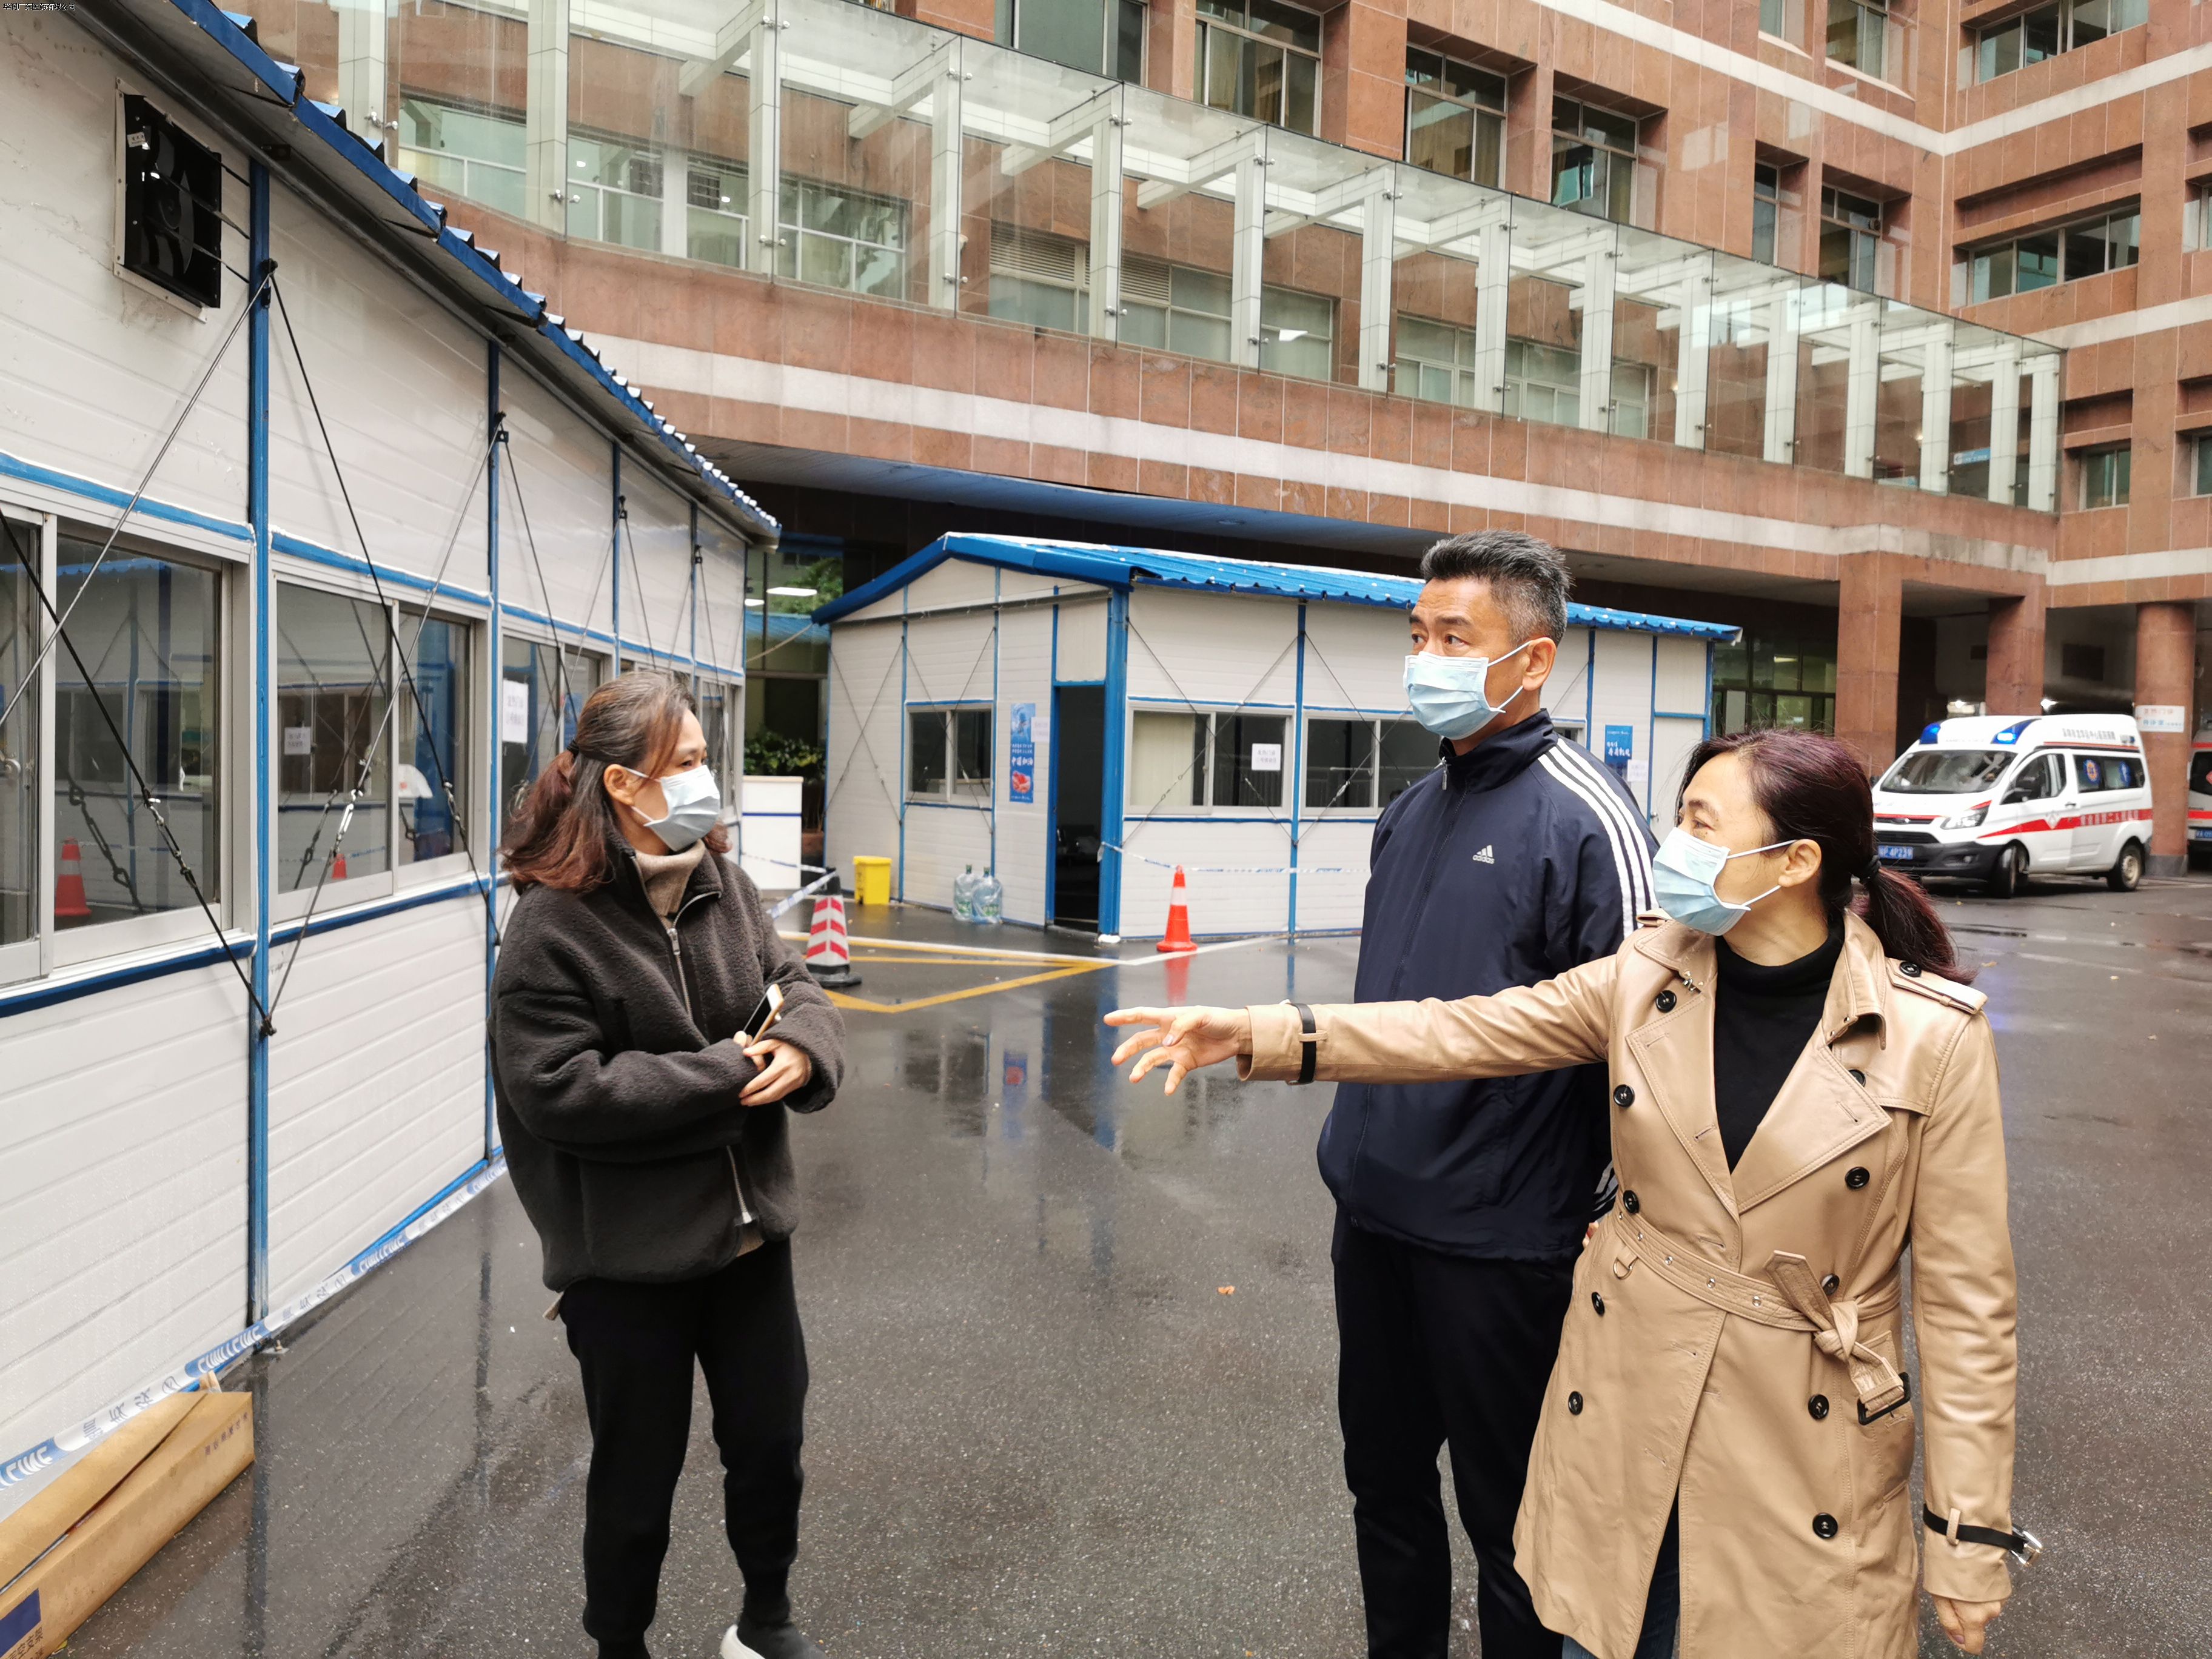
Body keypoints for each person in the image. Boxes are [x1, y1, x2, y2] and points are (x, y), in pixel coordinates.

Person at [1107, 727, 2025, 1659]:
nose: (1674, 845)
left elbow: (1968, 1311)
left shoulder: (1932, 1039)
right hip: (1632, 1393)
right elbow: (1464, 1031)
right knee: (1603, 1632)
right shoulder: (1649, 975)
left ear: (1795, 861)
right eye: (1679, 818)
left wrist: (1967, 1532)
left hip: (1801, 1430)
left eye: (1702, 824)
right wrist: (1261, 1032)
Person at [1308, 531, 1654, 1659]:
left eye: (1455, 638)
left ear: (1533, 659)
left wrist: (1602, 1212)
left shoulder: (1587, 817)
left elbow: (1648, 1042)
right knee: (1384, 1489)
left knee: (1513, 1525)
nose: (1426, 659)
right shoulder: (1412, 811)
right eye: (1418, 635)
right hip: (1375, 1217)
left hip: (1503, 1243)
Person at [491, 670, 846, 1659]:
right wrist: (732, 1072)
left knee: (771, 1445)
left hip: (750, 1239)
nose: (704, 778)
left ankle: (765, 1620)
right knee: (637, 1477)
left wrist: (803, 1047)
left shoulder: (720, 882)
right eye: (684, 761)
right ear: (622, 785)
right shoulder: (550, 927)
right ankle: (620, 1645)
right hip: (627, 1262)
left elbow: (797, 985)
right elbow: (558, 1091)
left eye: (699, 757)